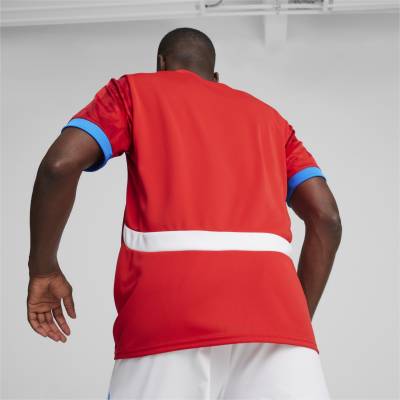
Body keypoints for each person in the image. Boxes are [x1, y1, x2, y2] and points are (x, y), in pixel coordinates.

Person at [27, 27, 342, 399]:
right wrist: (293, 320)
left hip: (166, 317)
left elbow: (59, 165)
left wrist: (43, 268)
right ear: (216, 77)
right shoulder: (271, 121)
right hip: (279, 327)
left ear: (160, 65)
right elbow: (326, 218)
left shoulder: (133, 92)